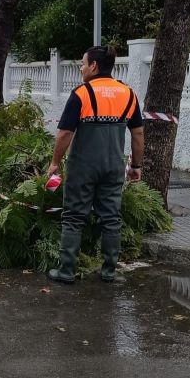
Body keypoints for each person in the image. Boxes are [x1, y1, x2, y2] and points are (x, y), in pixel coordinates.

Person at [47, 46, 145, 284]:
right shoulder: (128, 94)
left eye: (83, 63)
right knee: (111, 218)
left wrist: (55, 163)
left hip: (83, 167)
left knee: (73, 216)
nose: (81, 68)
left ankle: (67, 270)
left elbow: (64, 134)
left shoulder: (81, 93)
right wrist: (136, 166)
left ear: (94, 66)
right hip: (113, 166)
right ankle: (109, 271)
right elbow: (138, 133)